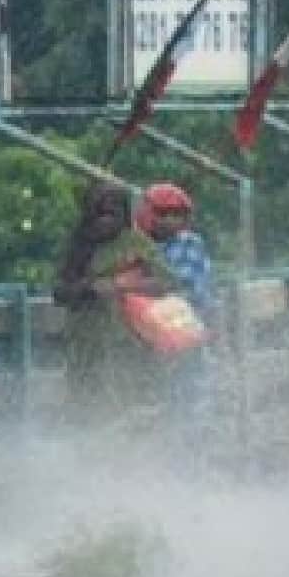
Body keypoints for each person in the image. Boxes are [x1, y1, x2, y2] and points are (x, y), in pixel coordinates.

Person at [52, 182, 181, 427]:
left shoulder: (136, 244)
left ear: (124, 216)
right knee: (90, 412)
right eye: (98, 214)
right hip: (88, 347)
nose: (104, 221)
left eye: (112, 214)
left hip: (133, 347)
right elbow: (60, 292)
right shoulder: (79, 246)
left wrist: (125, 285)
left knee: (134, 414)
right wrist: (92, 287)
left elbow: (167, 282)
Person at [135, 182, 216, 322]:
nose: (169, 220)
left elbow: (179, 285)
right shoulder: (137, 242)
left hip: (189, 313)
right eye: (162, 213)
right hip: (150, 311)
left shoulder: (188, 241)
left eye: (176, 214)